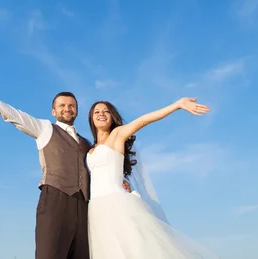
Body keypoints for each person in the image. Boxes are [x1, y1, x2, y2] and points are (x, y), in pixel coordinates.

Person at [0, 65, 91, 259]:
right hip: (55, 199)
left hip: (84, 206)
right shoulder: (45, 128)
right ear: (53, 111)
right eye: (62, 105)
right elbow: (13, 114)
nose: (67, 108)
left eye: (71, 105)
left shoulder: (87, 143)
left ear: (77, 111)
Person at [85, 99, 219, 258]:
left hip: (117, 204)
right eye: (97, 112)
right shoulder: (89, 148)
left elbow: (143, 120)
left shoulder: (117, 134)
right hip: (96, 209)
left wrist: (177, 105)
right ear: (91, 119)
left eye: (106, 111)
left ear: (112, 116)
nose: (101, 114)